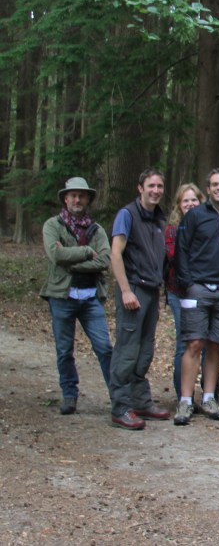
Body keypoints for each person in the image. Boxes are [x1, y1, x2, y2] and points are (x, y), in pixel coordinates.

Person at [173, 169, 219, 425]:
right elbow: (181, 250)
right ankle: (185, 401)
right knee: (194, 343)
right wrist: (188, 283)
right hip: (198, 289)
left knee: (215, 344)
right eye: (214, 184)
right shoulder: (194, 216)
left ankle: (208, 398)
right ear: (209, 188)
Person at [41, 177, 113, 416]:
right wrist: (85, 252)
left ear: (88, 199)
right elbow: (55, 255)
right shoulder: (53, 225)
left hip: (91, 298)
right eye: (73, 195)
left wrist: (73, 263)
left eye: (82, 195)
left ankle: (118, 395)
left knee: (104, 347)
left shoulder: (98, 229)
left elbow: (105, 260)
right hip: (62, 297)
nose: (77, 199)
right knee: (64, 350)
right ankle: (69, 394)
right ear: (65, 198)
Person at [108, 169, 171, 429]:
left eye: (159, 186)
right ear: (140, 187)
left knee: (145, 350)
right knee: (127, 350)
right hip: (132, 289)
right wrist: (125, 290)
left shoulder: (158, 218)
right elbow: (115, 254)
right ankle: (120, 407)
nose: (155, 190)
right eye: (151, 186)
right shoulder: (127, 215)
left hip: (150, 290)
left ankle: (140, 401)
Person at [164, 182, 204, 399]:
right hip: (179, 292)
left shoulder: (208, 223)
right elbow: (176, 258)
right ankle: (183, 395)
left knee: (206, 344)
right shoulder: (172, 229)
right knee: (184, 342)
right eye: (185, 200)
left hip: (205, 293)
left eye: (194, 200)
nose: (190, 204)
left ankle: (209, 394)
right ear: (179, 205)